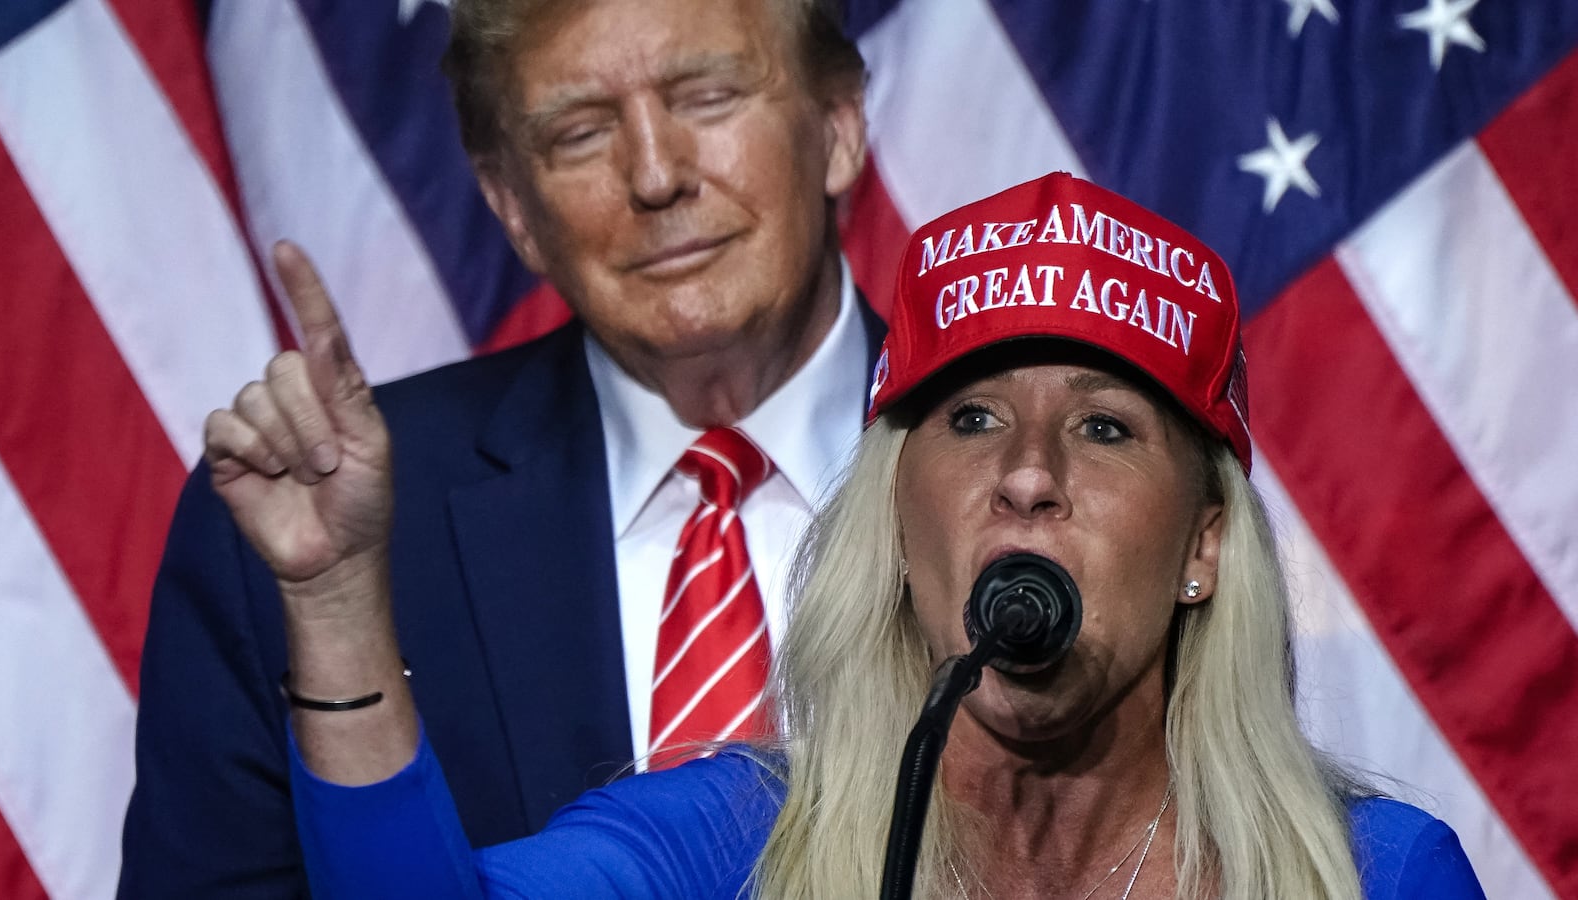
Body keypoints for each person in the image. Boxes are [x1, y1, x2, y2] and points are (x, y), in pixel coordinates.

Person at [222, 172, 1487, 898]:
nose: (1029, 474)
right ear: (896, 514)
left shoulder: (1372, 875)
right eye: (973, 417)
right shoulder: (730, 841)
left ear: (1205, 545)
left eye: (1105, 431)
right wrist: (334, 603)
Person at [118, 0, 877, 895]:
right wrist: (335, 608)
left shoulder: (1031, 480)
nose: (656, 174)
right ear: (511, 206)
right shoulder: (302, 531)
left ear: (837, 128)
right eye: (581, 133)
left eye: (708, 97)